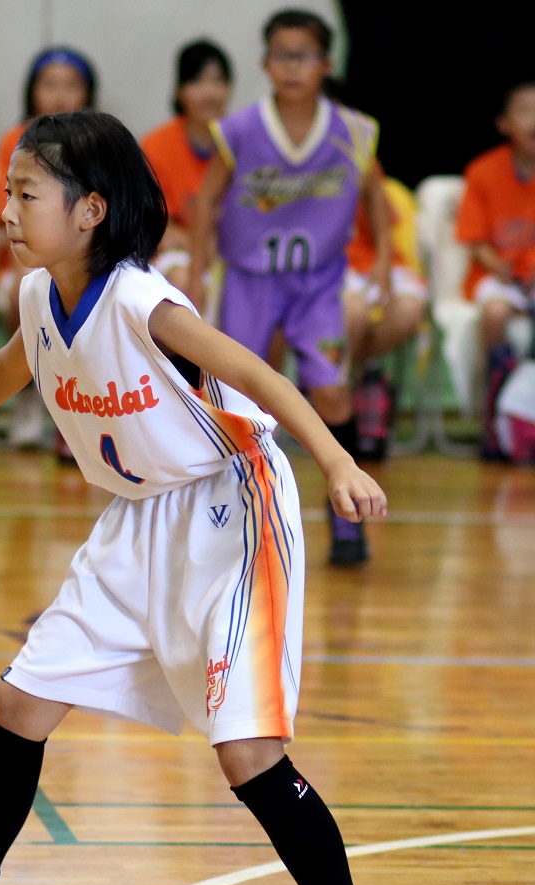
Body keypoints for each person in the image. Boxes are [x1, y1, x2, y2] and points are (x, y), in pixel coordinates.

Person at [0, 110, 396, 885]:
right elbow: (15, 366)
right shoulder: (37, 296)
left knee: (247, 753)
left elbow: (257, 375)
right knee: (18, 703)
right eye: (7, 191)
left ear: (92, 209)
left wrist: (337, 460)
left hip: (233, 506)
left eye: (27, 194)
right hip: (138, 518)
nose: (8, 210)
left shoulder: (145, 301)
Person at [187, 8, 392, 566]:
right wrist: (197, 274)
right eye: (283, 55)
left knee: (330, 391)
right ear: (266, 63)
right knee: (241, 398)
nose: (293, 67)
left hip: (319, 282)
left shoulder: (354, 131)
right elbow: (205, 202)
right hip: (251, 279)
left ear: (326, 63)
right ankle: (238, 520)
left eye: (304, 55)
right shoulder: (239, 131)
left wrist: (385, 262)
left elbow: (376, 194)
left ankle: (346, 516)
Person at [0, 46, 97, 450]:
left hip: (84, 255)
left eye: (71, 86)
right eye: (49, 85)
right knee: (27, 284)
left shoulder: (99, 145)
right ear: (32, 91)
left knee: (93, 291)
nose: (59, 95)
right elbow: (2, 216)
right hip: (30, 254)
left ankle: (81, 412)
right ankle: (29, 398)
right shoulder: (13, 143)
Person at [455, 77, 535, 460]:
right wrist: (500, 267)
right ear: (505, 123)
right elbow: (473, 237)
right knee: (496, 313)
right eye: (525, 111)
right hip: (498, 276)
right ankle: (494, 413)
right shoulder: (483, 171)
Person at [343, 167, 428, 460]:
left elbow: (383, 221)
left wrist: (383, 265)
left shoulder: (358, 152)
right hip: (328, 264)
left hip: (372, 262)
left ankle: (342, 380)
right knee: (353, 311)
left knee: (409, 308)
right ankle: (340, 390)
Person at [141, 39, 233, 294]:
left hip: (230, 253)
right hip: (176, 254)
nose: (210, 92)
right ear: (180, 90)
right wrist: (198, 242)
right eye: (198, 82)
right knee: (182, 279)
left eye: (218, 81)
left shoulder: (242, 141)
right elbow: (153, 225)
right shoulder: (156, 145)